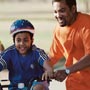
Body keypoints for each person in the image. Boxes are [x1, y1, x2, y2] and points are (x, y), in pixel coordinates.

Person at [0, 19, 53, 90]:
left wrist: (49, 70)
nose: (22, 44)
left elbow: (47, 64)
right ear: (13, 41)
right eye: (18, 40)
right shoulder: (9, 53)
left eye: (26, 40)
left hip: (36, 83)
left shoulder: (37, 52)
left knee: (38, 87)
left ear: (32, 40)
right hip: (16, 87)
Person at [48, 0, 90, 90]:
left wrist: (67, 71)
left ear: (73, 9)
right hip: (74, 85)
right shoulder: (58, 29)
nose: (58, 15)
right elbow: (52, 57)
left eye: (62, 11)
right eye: (55, 12)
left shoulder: (87, 24)